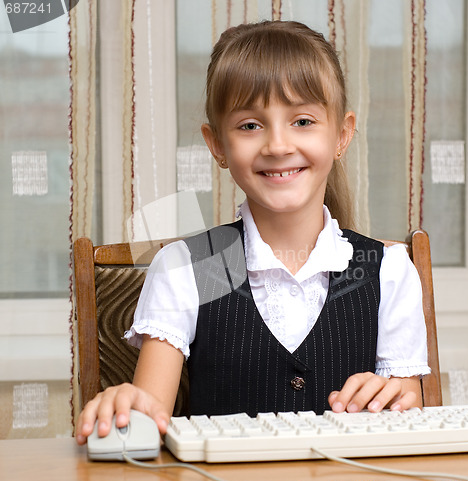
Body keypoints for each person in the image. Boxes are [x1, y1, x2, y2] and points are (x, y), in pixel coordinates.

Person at [76, 20, 430, 445]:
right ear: (217, 145)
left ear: (342, 134)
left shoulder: (387, 271)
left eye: (302, 121)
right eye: (249, 126)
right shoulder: (197, 266)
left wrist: (394, 400)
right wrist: (125, 409)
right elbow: (149, 416)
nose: (278, 146)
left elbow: (410, 420)